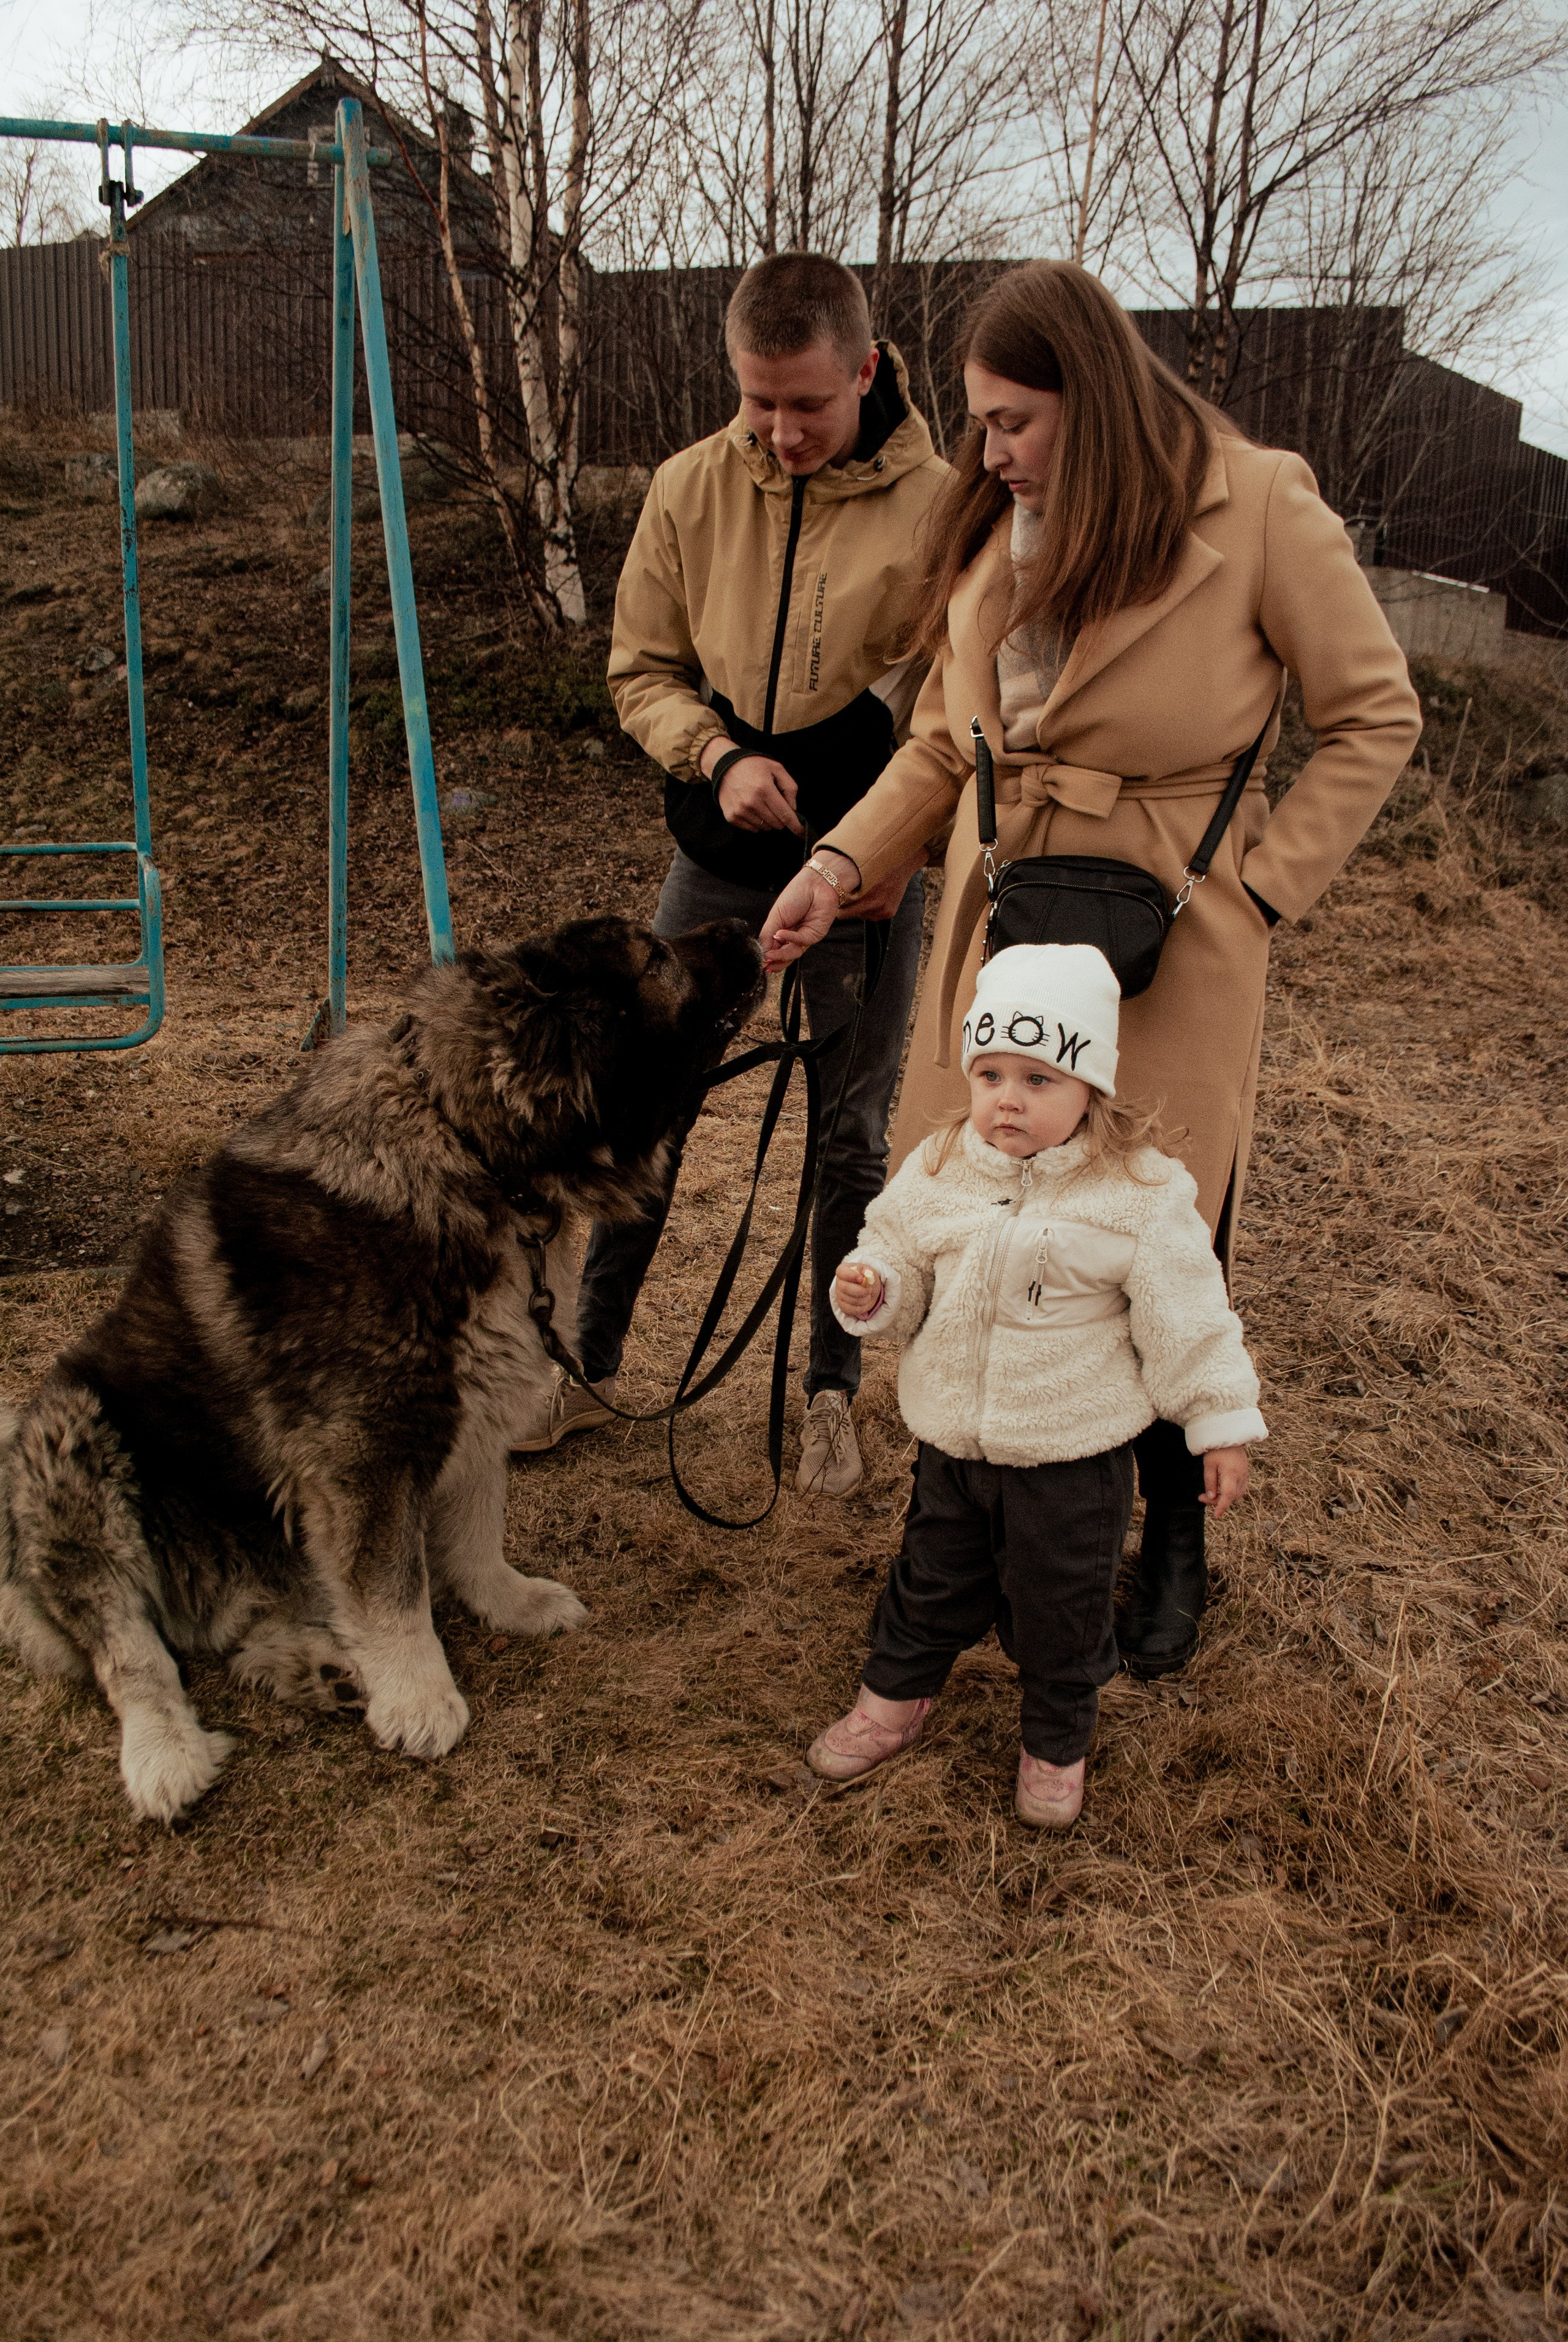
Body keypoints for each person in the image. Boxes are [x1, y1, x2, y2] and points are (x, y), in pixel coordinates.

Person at [761, 260, 1420, 1655]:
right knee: (976, 1205)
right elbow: (945, 743)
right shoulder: (996, 525)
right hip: (1002, 929)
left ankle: (1169, 1542)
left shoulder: (1254, 506)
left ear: (1096, 399)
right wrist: (837, 863)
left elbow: (1373, 714)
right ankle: (970, 1523)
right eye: (978, 420)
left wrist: (1257, 890)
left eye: (1010, 420)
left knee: (1151, 1227)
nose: (984, 450)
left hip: (1170, 942)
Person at [511, 252, 948, 1499]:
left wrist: (887, 843)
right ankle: (588, 1368)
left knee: (846, 1135)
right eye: (757, 401)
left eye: (806, 403)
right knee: (647, 1106)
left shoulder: (937, 504)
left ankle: (827, 1391)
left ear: (865, 370)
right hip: (713, 853)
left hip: (862, 862)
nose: (779, 428)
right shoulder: (689, 487)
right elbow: (638, 667)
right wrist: (710, 753)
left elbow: (949, 704)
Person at [805, 943, 1266, 1829]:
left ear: (1091, 1086)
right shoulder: (940, 1166)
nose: (1008, 1099)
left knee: (1063, 1604)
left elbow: (1188, 1314)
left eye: (1040, 1079)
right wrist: (873, 1288)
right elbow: (894, 1253)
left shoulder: (1140, 1190)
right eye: (991, 1074)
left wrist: (1220, 1422)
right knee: (928, 1579)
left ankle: (1056, 1742)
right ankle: (891, 1700)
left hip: (1071, 1458)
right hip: (954, 1445)